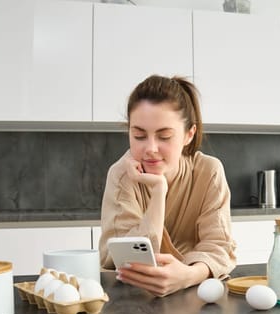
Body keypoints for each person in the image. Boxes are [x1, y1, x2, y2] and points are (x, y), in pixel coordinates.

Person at [99, 75, 236, 297]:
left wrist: (187, 276)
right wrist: (158, 191)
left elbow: (219, 246)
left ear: (188, 135)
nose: (150, 148)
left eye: (164, 136)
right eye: (139, 135)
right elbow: (124, 257)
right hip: (132, 299)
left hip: (195, 293)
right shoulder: (121, 175)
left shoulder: (209, 171)